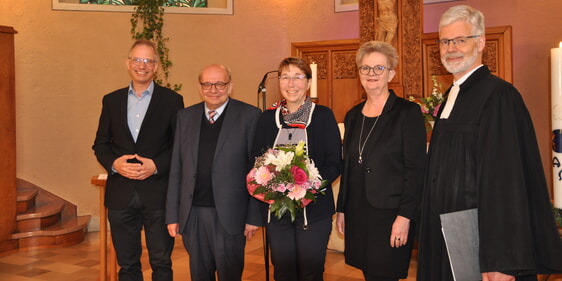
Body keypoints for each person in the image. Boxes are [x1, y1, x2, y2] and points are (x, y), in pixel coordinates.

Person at [417, 5, 562, 281]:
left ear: (481, 42)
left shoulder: (498, 97)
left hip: (481, 244)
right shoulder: (452, 95)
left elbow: (507, 183)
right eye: (445, 41)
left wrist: (503, 259)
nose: (451, 48)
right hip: (446, 236)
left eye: (461, 40)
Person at [92, 39, 184, 281]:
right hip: (121, 196)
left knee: (162, 263)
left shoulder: (173, 101)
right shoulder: (111, 101)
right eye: (137, 60)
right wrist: (114, 164)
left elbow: (179, 146)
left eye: (148, 61)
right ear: (128, 63)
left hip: (158, 195)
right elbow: (100, 144)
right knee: (127, 265)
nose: (142, 65)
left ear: (156, 66)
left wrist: (156, 165)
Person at [334, 41, 426, 281]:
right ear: (359, 74)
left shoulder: (407, 113)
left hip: (390, 214)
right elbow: (348, 166)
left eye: (378, 68)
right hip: (358, 211)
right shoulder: (353, 116)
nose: (371, 74)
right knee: (368, 273)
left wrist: (405, 217)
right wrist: (342, 208)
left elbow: (416, 170)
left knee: (384, 274)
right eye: (365, 68)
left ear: (391, 74)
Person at [165, 64, 262, 281]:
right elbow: (177, 169)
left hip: (230, 216)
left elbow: (258, 170)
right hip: (193, 215)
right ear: (200, 88)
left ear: (230, 86)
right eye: (207, 84)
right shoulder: (185, 117)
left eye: (220, 83)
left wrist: (254, 216)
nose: (213, 89)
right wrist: (173, 215)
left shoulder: (249, 116)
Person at [251, 57, 342, 281]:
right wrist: (273, 186)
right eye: (285, 77)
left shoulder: (323, 116)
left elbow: (334, 162)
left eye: (298, 77)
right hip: (276, 211)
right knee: (283, 272)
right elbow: (256, 162)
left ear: (308, 82)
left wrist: (307, 187)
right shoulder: (266, 119)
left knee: (310, 272)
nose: (291, 84)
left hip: (314, 210)